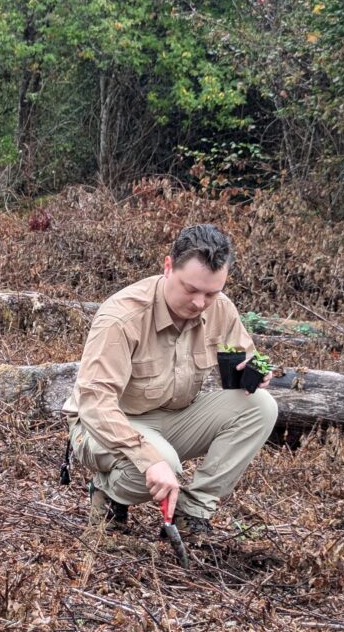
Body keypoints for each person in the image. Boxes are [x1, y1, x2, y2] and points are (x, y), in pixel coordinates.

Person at [62, 224, 277, 536]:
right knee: (162, 463)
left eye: (212, 293)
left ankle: (192, 512)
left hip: (173, 417)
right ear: (167, 267)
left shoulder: (221, 308)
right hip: (105, 425)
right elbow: (95, 405)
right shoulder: (122, 317)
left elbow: (246, 358)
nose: (200, 303)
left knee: (261, 406)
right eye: (190, 290)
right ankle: (108, 491)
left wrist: (255, 372)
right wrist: (150, 460)